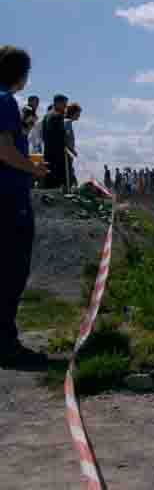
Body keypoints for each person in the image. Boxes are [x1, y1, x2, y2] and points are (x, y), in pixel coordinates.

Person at [0, 46, 50, 368]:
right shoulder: (5, 101)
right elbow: (4, 149)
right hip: (8, 198)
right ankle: (5, 345)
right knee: (11, 270)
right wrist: (33, 169)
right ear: (20, 73)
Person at [43, 94, 68, 189]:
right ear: (57, 103)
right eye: (64, 104)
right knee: (57, 182)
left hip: (48, 152)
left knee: (49, 181)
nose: (65, 107)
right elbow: (59, 137)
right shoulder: (57, 116)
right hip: (57, 154)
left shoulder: (46, 116)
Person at [64, 102, 81, 190]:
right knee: (68, 176)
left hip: (68, 153)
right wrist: (72, 150)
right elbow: (65, 137)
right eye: (78, 113)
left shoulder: (66, 122)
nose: (79, 115)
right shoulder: (67, 122)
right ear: (74, 112)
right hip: (67, 154)